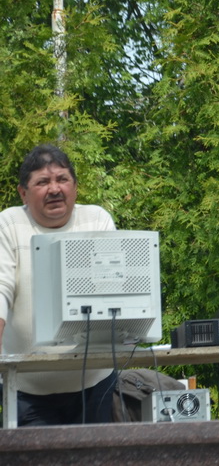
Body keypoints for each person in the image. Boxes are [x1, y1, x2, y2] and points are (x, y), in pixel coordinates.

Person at [0, 144, 118, 425]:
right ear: (23, 193)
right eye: (42, 182)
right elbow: (1, 287)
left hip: (96, 384)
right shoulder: (8, 223)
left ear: (75, 187)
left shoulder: (97, 219)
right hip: (26, 391)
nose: (54, 189)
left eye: (62, 179)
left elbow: (113, 288)